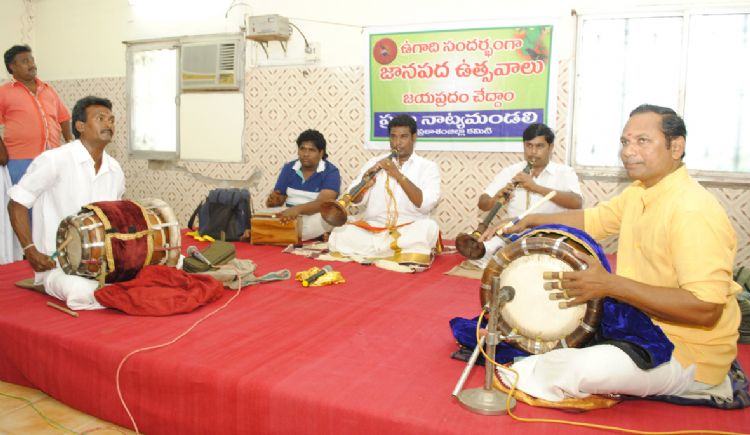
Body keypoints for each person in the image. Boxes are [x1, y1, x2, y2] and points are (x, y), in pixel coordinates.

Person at [483, 104, 741, 403]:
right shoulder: (640, 191)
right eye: (625, 142)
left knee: (575, 369)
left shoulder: (693, 209)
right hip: (640, 325)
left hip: (685, 352)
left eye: (642, 141)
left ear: (676, 147)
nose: (628, 151)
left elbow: (706, 309)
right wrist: (530, 220)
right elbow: (592, 219)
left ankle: (703, 384)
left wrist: (610, 285)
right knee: (531, 329)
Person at [8, 96, 125, 309]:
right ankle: (45, 283)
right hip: (57, 266)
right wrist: (30, 250)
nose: (108, 123)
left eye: (111, 119)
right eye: (100, 118)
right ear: (80, 126)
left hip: (99, 264)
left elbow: (114, 218)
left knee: (150, 273)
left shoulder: (114, 168)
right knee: (83, 291)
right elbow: (17, 203)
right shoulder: (54, 160)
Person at [327, 114, 441, 266]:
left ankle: (377, 251)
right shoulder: (374, 163)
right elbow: (355, 201)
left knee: (428, 228)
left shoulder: (428, 167)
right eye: (393, 137)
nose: (397, 143)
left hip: (408, 229)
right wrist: (364, 185)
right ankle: (394, 251)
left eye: (403, 137)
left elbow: (425, 205)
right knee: (340, 233)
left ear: (414, 137)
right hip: (374, 229)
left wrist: (397, 174)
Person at [473, 123, 581, 265]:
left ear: (551, 147)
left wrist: (536, 187)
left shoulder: (564, 172)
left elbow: (577, 202)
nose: (533, 152)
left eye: (539, 146)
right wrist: (496, 198)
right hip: (513, 235)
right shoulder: (511, 171)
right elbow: (482, 204)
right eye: (529, 146)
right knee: (479, 255)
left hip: (549, 237)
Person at [0, 44, 73, 184]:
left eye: (32, 60)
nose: (32, 64)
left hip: (53, 157)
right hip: (20, 160)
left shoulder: (47, 89)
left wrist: (69, 141)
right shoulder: (3, 92)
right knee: (22, 197)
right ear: (12, 67)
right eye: (25, 61)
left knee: (53, 197)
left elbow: (63, 117)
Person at [265, 129, 341, 241]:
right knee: (262, 214)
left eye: (311, 150)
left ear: (321, 153)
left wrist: (297, 210)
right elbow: (279, 200)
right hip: (289, 216)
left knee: (326, 219)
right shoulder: (289, 168)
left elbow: (324, 203)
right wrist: (274, 201)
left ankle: (277, 234)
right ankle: (295, 234)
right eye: (302, 149)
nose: (306, 154)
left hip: (313, 217)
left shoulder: (331, 172)